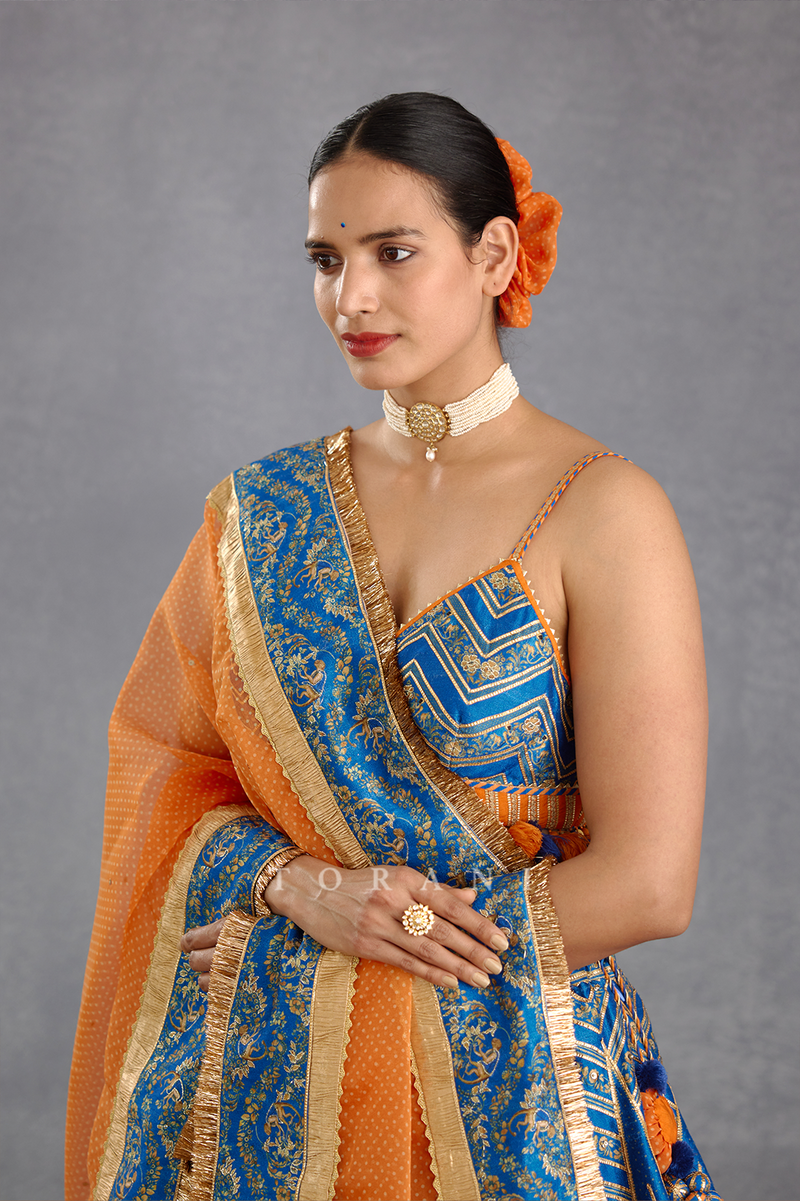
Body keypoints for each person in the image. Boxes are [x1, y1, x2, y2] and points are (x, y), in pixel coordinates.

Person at [66, 92, 721, 1201]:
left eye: (393, 252)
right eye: (326, 260)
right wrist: (301, 885)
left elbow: (649, 884)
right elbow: (165, 773)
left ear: (494, 253)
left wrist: (332, 939)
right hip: (278, 1103)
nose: (351, 297)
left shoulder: (605, 511)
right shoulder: (258, 512)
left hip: (525, 1101)